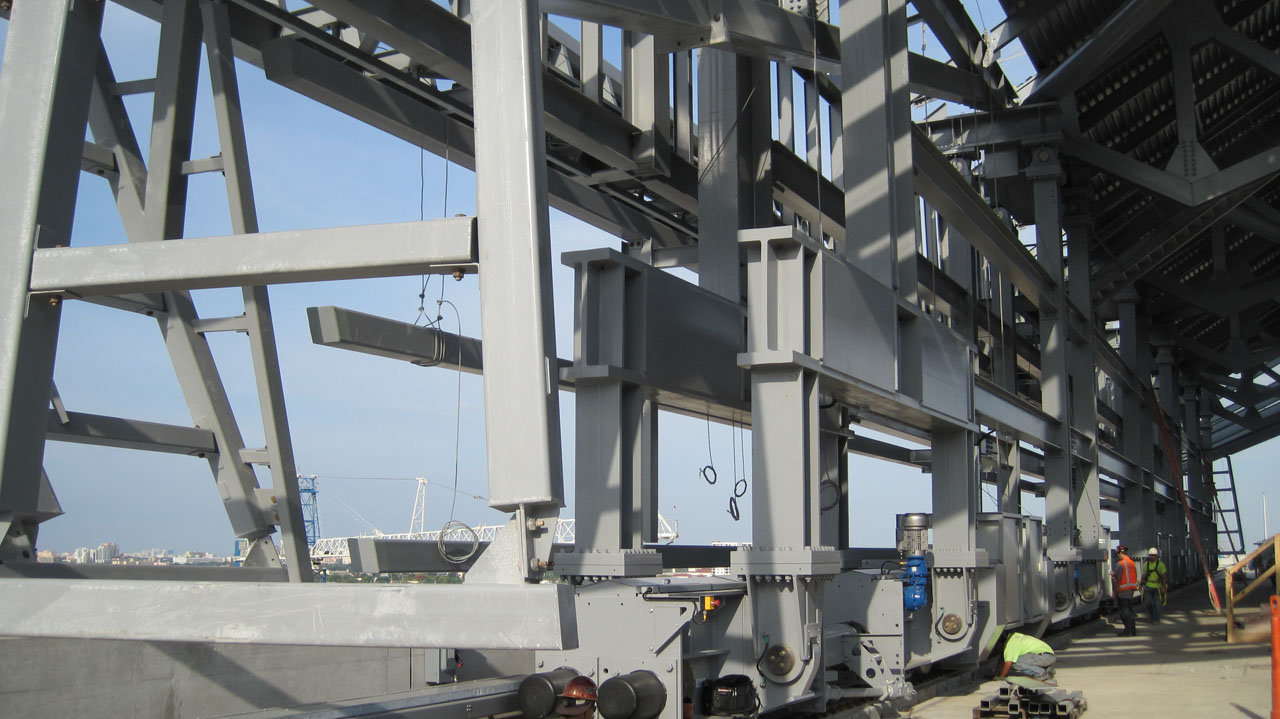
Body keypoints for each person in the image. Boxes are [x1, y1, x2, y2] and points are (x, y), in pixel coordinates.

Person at [1111, 544, 1140, 636]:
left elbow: (1118, 577)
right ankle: (1133, 630)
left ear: (1120, 553)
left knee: (1124, 611)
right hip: (1131, 589)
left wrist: (1113, 575)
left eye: (1117, 554)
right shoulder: (1131, 562)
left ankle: (1127, 630)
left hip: (1123, 590)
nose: (1117, 556)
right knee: (1130, 610)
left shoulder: (1121, 564)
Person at [1143, 546, 1168, 623]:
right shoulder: (1146, 564)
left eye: (1153, 555)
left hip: (1157, 587)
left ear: (1156, 556)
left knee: (1157, 604)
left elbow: (1164, 576)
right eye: (1150, 555)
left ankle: (1156, 619)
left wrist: (1164, 587)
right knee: (1148, 603)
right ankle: (1153, 616)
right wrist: (1141, 584)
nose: (1151, 556)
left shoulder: (1160, 564)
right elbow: (1144, 575)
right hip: (1148, 586)